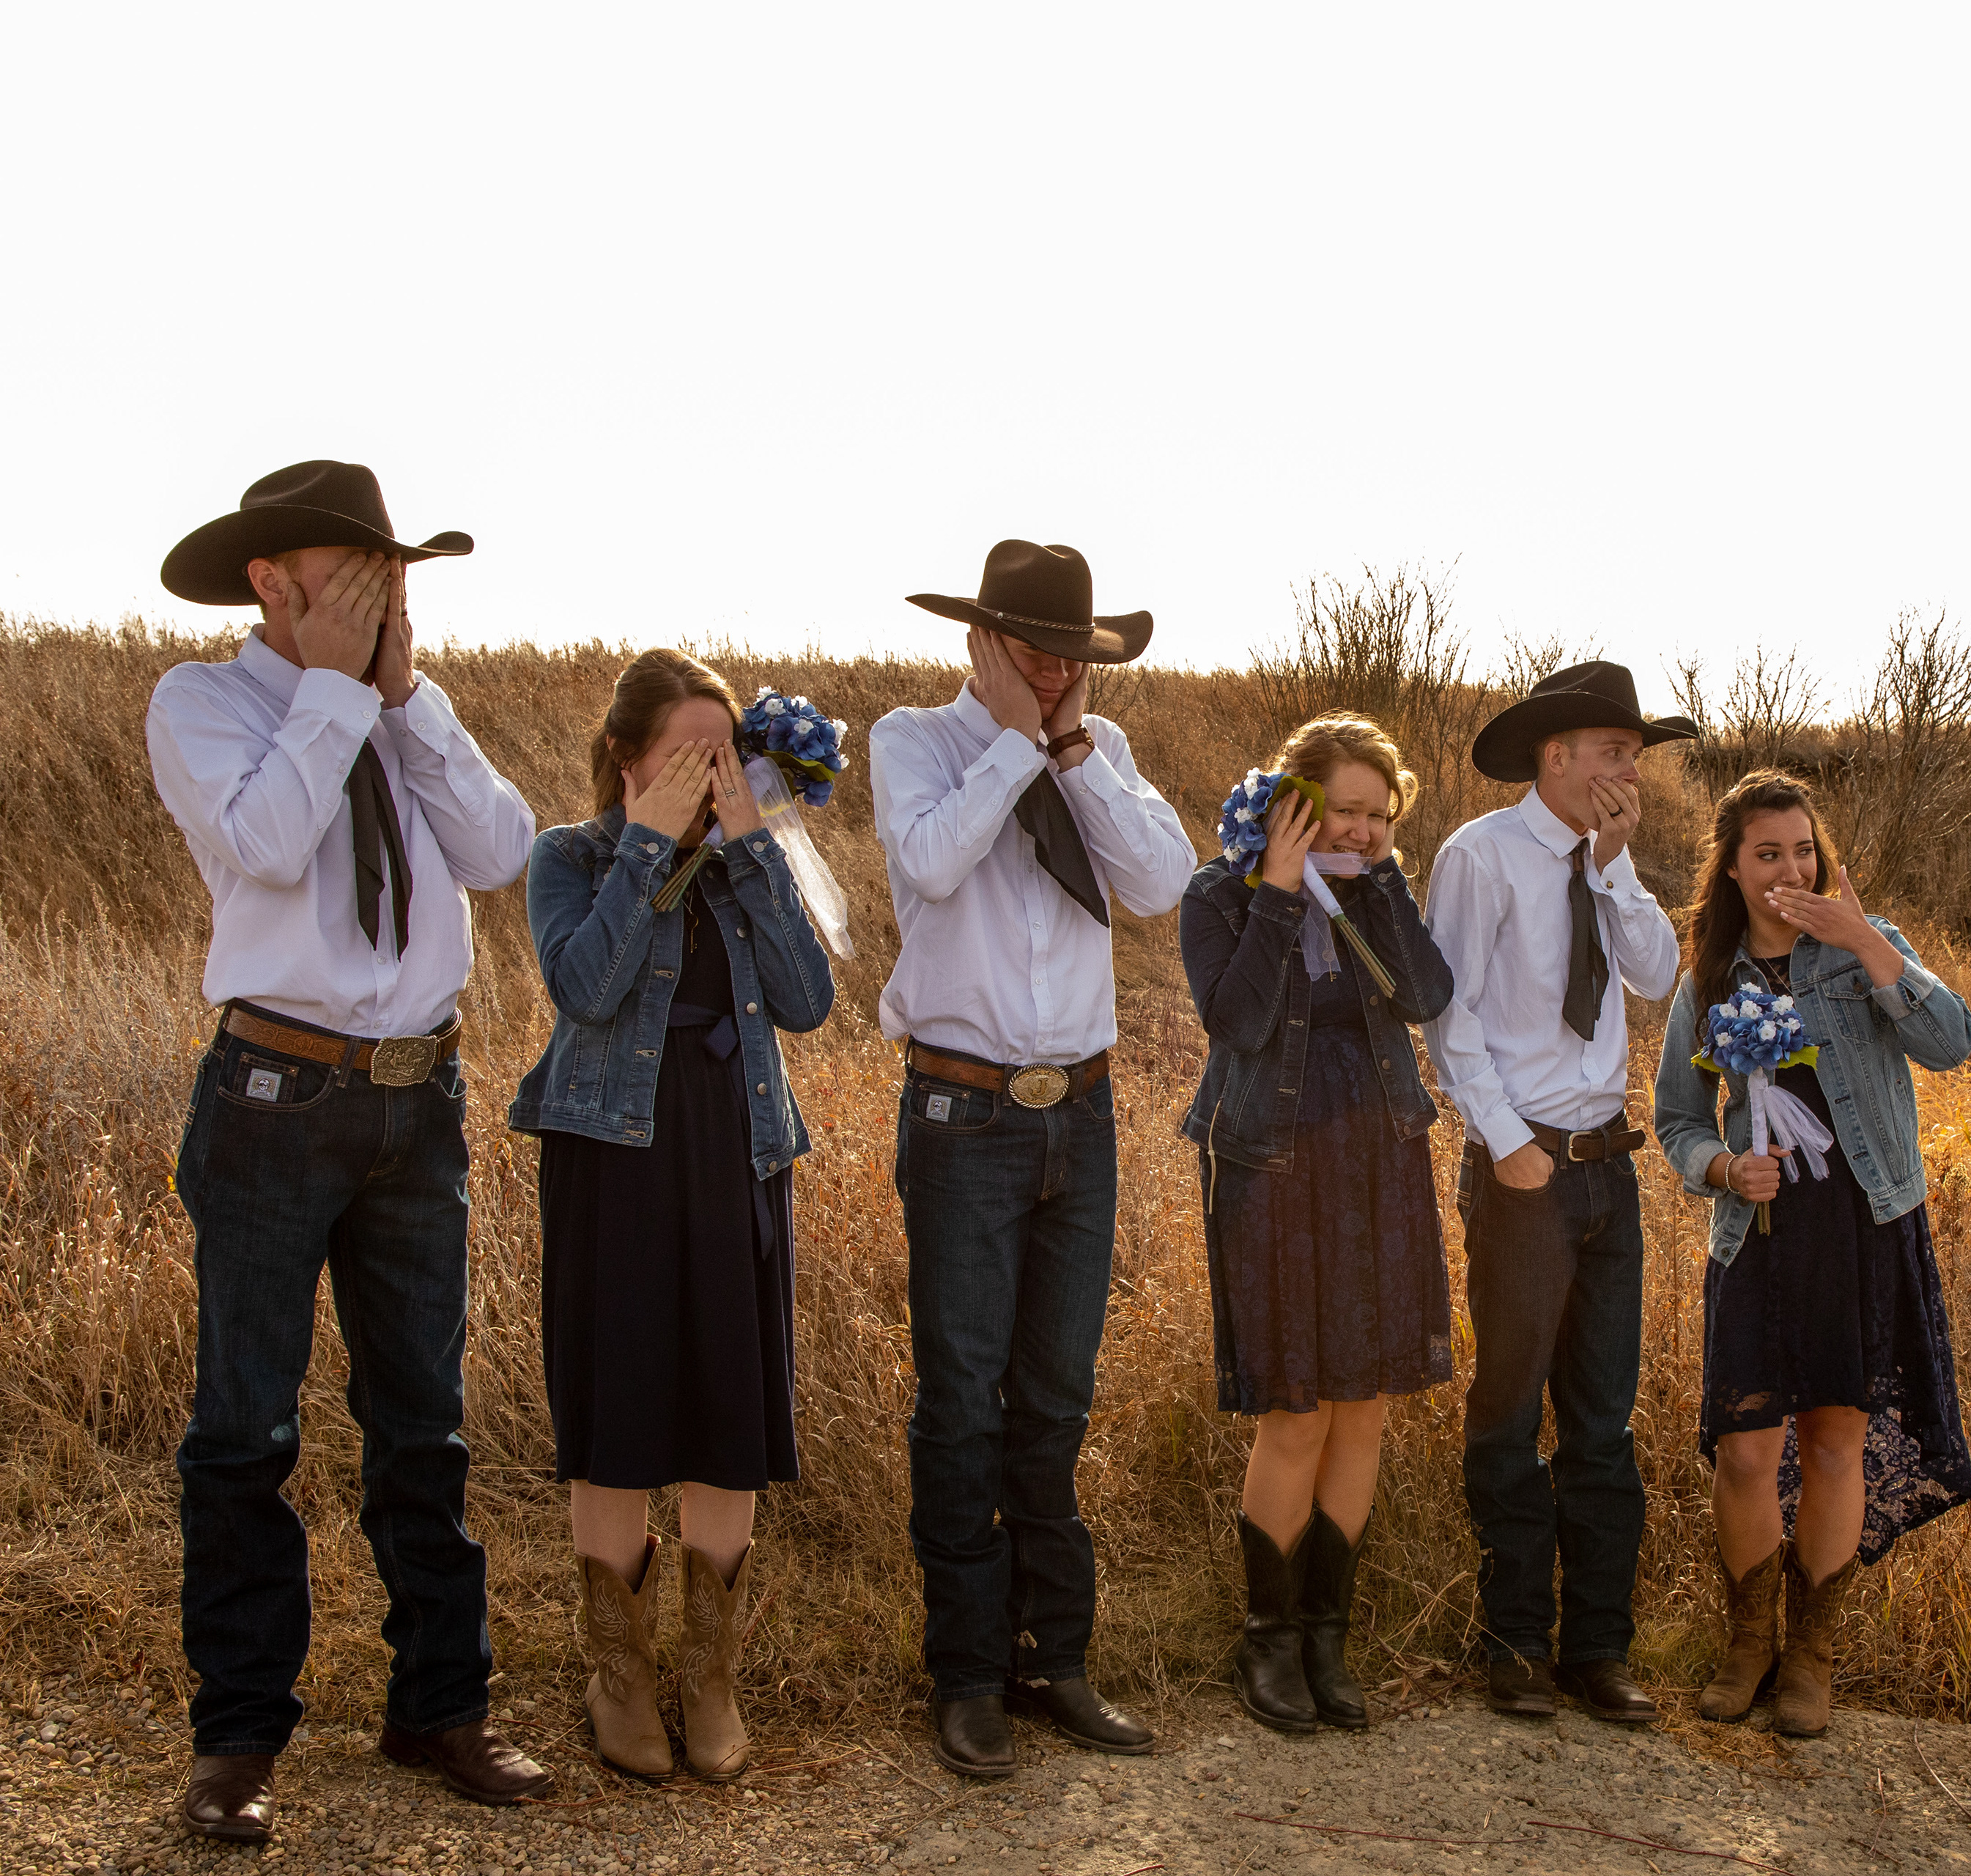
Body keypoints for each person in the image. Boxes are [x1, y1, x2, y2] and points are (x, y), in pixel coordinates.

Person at [147, 462, 547, 1842]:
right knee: (245, 1429)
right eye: (357, 572)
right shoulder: (202, 703)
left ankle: (442, 1705)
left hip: (418, 1101)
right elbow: (265, 844)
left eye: (395, 575)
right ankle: (239, 1737)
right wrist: (329, 688)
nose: (384, 596)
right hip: (275, 1097)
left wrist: (405, 698)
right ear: (272, 581)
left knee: (424, 1425)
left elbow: (501, 851)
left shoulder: (402, 707)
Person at [873, 541, 1197, 1778]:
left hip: (1083, 1116)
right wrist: (1012, 741)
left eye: (1073, 656)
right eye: (1034, 651)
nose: (1056, 672)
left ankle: (1053, 1658)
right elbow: (930, 861)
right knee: (962, 1402)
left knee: (1056, 1400)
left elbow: (1160, 881)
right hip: (963, 1115)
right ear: (980, 641)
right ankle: (966, 1675)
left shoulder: (1098, 752)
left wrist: (1066, 750)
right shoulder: (914, 741)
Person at [509, 649, 837, 1783]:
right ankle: (620, 1675)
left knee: (726, 1415)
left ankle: (709, 1677)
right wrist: (648, 843)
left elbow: (808, 1001)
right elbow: (585, 989)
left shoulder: (747, 861)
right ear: (625, 755)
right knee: (620, 1414)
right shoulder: (572, 856)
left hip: (737, 1154)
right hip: (614, 1158)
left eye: (723, 754)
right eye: (687, 756)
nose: (710, 776)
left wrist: (753, 851)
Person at [1650, 772, 1971, 1739]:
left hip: (1861, 1224)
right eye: (1768, 854)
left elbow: (1952, 1043)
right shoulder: (1709, 980)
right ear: (1733, 868)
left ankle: (1811, 1656)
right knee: (1746, 1449)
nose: (1791, 870)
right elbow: (1675, 1117)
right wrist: (1719, 1167)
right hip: (1758, 1236)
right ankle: (1749, 1641)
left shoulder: (1865, 950)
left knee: (1837, 1441)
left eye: (1804, 850)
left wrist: (1867, 941)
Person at [1423, 660, 1696, 1724]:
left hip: (1608, 1171)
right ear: (1557, 755)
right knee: (1508, 1413)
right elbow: (1450, 1015)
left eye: (1637, 755)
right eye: (1616, 751)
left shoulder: (1608, 858)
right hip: (1525, 1170)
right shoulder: (1480, 855)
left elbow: (1659, 976)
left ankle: (1598, 1650)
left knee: (1602, 1420)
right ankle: (1516, 1643)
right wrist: (1504, 1145)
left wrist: (1616, 869)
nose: (1632, 771)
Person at [1177, 713, 1459, 1734]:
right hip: (1273, 1166)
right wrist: (1280, 891)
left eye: (1379, 817)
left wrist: (1381, 885)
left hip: (1380, 1157)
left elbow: (1425, 994)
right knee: (1296, 1409)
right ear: (1294, 804)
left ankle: (1326, 1637)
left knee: (1365, 1404)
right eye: (1345, 811)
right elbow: (1237, 1021)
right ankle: (1269, 1639)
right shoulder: (1219, 895)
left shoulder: (1379, 888)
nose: (1363, 831)